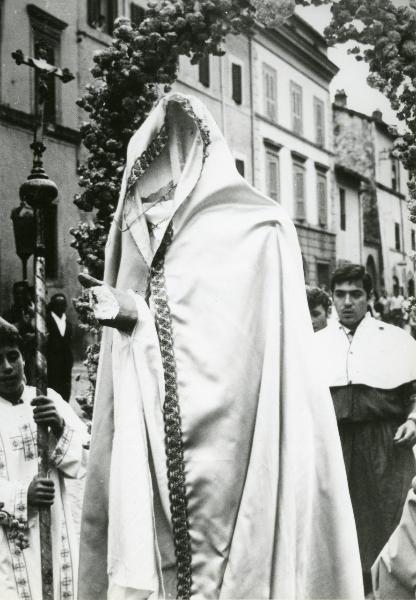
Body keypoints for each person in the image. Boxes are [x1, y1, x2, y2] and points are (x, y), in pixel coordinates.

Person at [78, 92, 363, 600]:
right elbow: (146, 323)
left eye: (162, 187)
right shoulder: (137, 232)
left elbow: (236, 346)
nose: (152, 202)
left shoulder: (259, 228)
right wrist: (127, 315)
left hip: (247, 443)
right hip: (152, 443)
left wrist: (139, 318)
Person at [315, 264, 416, 595]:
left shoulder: (397, 339)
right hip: (334, 446)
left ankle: (388, 590)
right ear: (332, 298)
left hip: (386, 446)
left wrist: (413, 421)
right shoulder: (314, 344)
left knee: (388, 521)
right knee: (339, 524)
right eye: (340, 295)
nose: (347, 302)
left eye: (355, 294)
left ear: (368, 298)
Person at [0, 317, 88, 600]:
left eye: (13, 356)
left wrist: (60, 426)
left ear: (25, 357)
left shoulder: (47, 399)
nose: (7, 367)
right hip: (7, 543)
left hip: (54, 531)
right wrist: (22, 495)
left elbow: (87, 459)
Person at [3, 281, 36, 385]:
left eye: (22, 293)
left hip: (34, 355)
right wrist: (22, 324)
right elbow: (6, 335)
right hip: (16, 356)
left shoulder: (37, 312)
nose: (18, 296)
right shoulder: (8, 313)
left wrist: (35, 336)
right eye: (16, 293)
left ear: (28, 295)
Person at [46, 293, 74, 402]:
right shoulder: (47, 320)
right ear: (53, 305)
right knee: (53, 388)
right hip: (52, 361)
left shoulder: (68, 322)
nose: (60, 308)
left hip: (66, 362)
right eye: (57, 305)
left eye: (63, 305)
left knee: (65, 388)